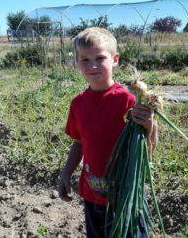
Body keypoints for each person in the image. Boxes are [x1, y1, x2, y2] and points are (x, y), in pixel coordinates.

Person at [57, 27, 158, 237]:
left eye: (100, 58)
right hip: (93, 196)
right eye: (84, 60)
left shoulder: (128, 100)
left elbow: (148, 147)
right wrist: (66, 171)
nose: (92, 65)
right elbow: (79, 142)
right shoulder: (78, 103)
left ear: (115, 59)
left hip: (126, 198)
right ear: (77, 62)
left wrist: (151, 125)